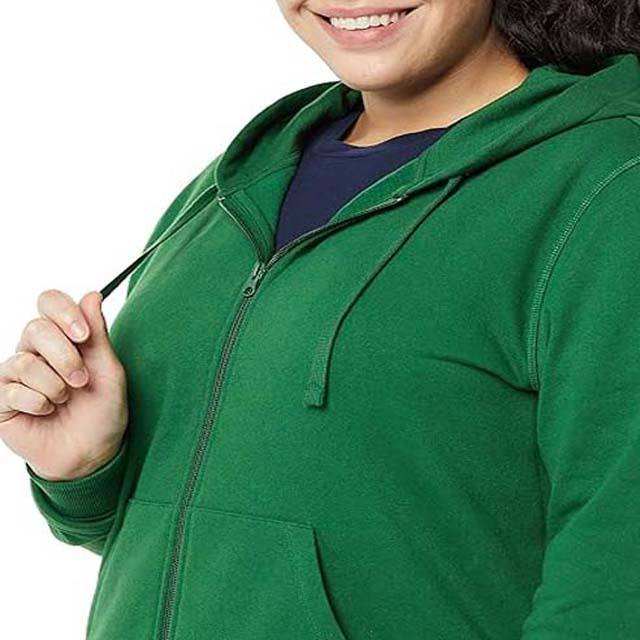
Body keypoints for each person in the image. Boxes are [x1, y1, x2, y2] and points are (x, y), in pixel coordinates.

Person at [2, 1, 640, 638]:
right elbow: (222, 545)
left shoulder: (607, 189)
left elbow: (613, 583)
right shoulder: (236, 183)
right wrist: (88, 471)